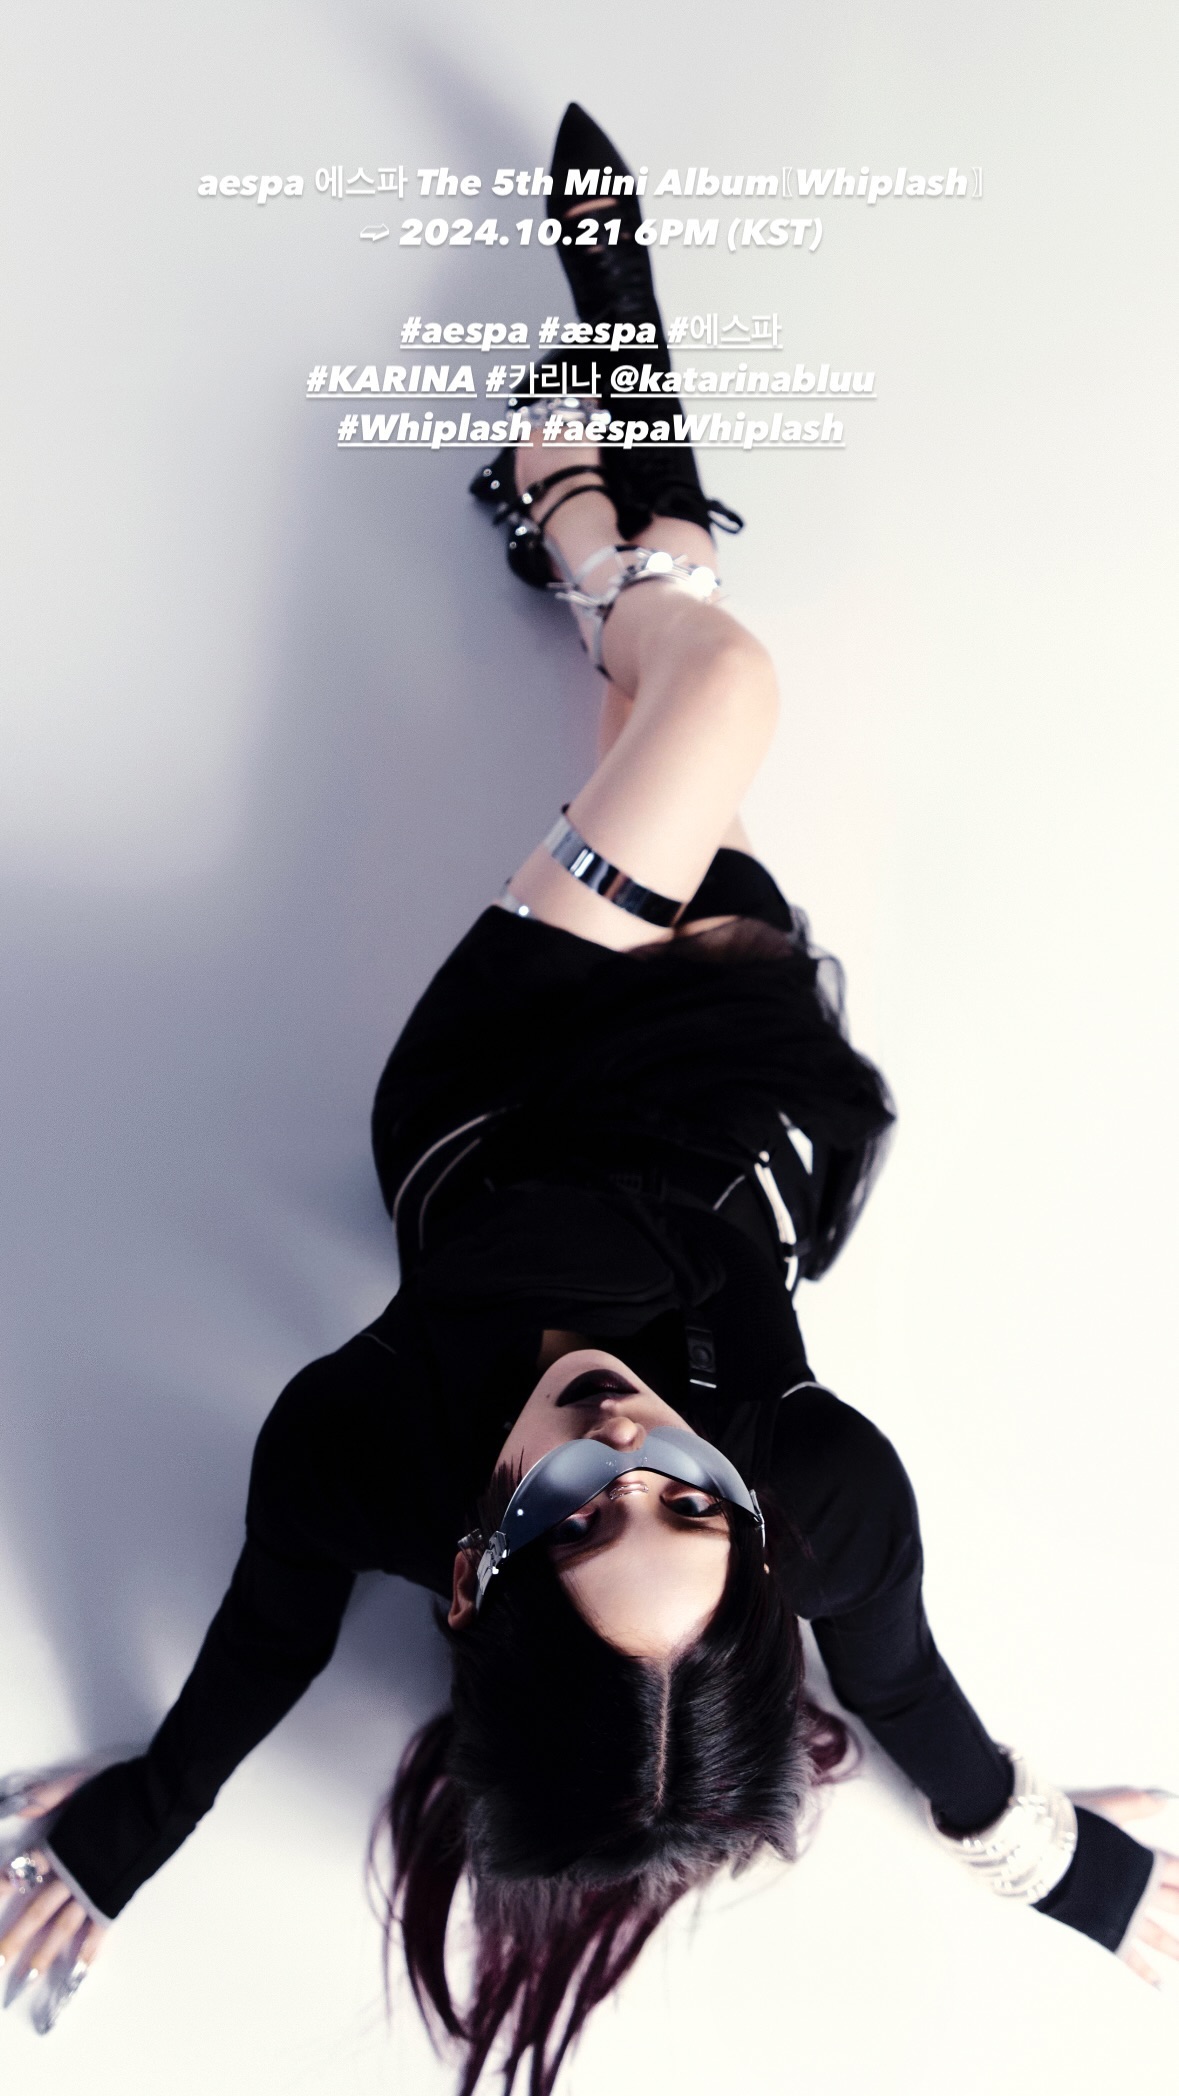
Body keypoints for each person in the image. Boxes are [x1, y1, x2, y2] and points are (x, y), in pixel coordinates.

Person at [2, 102, 1175, 2089]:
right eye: (687, 1494)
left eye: (572, 1505)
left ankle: (586, 500)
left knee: (710, 696)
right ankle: (581, 517)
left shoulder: (360, 1458)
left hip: (494, 1097)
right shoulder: (823, 1501)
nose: (628, 1436)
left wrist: (131, 1834)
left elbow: (263, 1648)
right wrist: (1066, 1871)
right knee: (675, 699)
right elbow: (917, 1702)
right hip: (737, 1094)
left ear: (473, 1570)